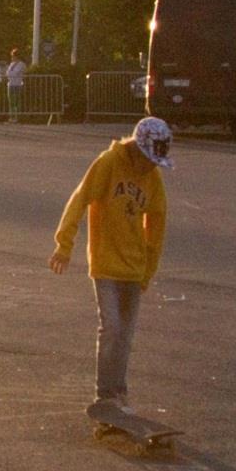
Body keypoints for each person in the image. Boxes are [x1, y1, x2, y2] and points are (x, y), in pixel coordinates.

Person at [48, 117, 172, 408]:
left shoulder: (153, 179)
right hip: (105, 262)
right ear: (137, 151)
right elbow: (79, 200)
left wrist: (147, 272)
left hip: (134, 267)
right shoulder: (108, 164)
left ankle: (119, 392)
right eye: (150, 160)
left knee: (126, 336)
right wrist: (64, 245)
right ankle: (104, 394)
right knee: (112, 327)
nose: (153, 167)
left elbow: (157, 227)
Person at [6, 48, 27, 123]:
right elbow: (7, 73)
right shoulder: (11, 64)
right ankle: (11, 117)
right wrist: (10, 73)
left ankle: (17, 117)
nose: (12, 58)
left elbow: (15, 73)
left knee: (17, 101)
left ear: (16, 56)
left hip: (18, 84)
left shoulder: (21, 64)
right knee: (11, 102)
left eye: (13, 56)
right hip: (10, 84)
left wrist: (10, 73)